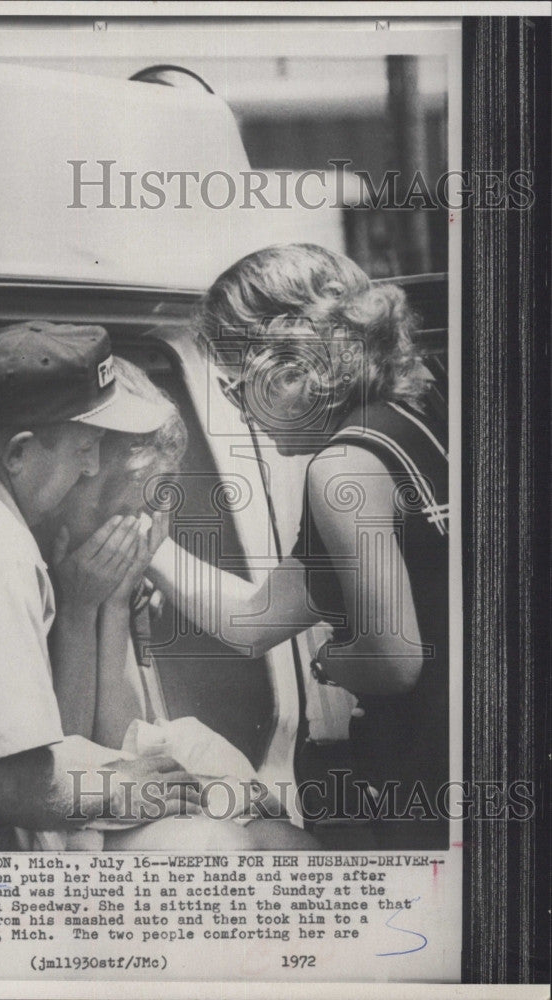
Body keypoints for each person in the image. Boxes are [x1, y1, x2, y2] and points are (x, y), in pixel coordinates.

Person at [148, 243, 450, 848]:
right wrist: (150, 546)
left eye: (238, 386)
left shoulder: (342, 468)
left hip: (432, 770)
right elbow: (255, 620)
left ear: (291, 365)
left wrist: (328, 661)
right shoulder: (419, 413)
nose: (241, 411)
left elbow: (393, 662)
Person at [0, 321, 204, 851]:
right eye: (84, 447)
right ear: (19, 453)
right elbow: (4, 785)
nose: (90, 467)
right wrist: (124, 787)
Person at [37, 356, 319, 850]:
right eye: (132, 506)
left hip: (114, 785)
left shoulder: (103, 566)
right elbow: (67, 758)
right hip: (67, 809)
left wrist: (117, 601)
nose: (143, 522)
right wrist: (80, 614)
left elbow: (121, 735)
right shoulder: (41, 568)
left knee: (291, 845)